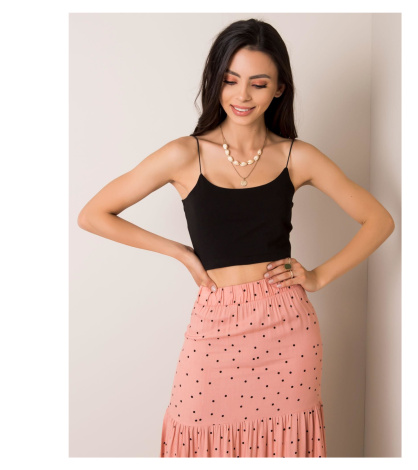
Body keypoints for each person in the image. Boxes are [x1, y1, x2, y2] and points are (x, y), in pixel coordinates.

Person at [77, 18, 395, 458]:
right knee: (195, 438)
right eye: (231, 80)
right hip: (214, 322)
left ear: (279, 89)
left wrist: (319, 276)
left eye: (258, 84)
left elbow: (379, 220)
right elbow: (93, 215)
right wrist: (181, 253)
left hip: (287, 330)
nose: (242, 95)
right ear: (216, 81)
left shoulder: (297, 156)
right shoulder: (184, 154)